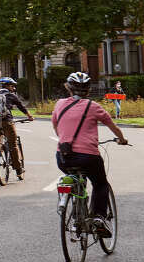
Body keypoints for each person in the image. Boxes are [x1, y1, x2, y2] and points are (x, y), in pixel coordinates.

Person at [53, 71, 129, 238]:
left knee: (75, 177)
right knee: (100, 184)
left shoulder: (59, 104)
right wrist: (122, 139)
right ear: (88, 91)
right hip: (88, 157)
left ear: (68, 88)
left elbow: (56, 126)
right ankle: (98, 218)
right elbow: (112, 126)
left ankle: (76, 211)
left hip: (63, 156)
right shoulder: (93, 107)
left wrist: (65, 138)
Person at [0, 77, 33, 177]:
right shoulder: (11, 95)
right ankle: (18, 169)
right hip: (7, 120)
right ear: (8, 86)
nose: (13, 87)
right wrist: (29, 116)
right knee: (13, 144)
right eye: (12, 85)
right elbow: (21, 106)